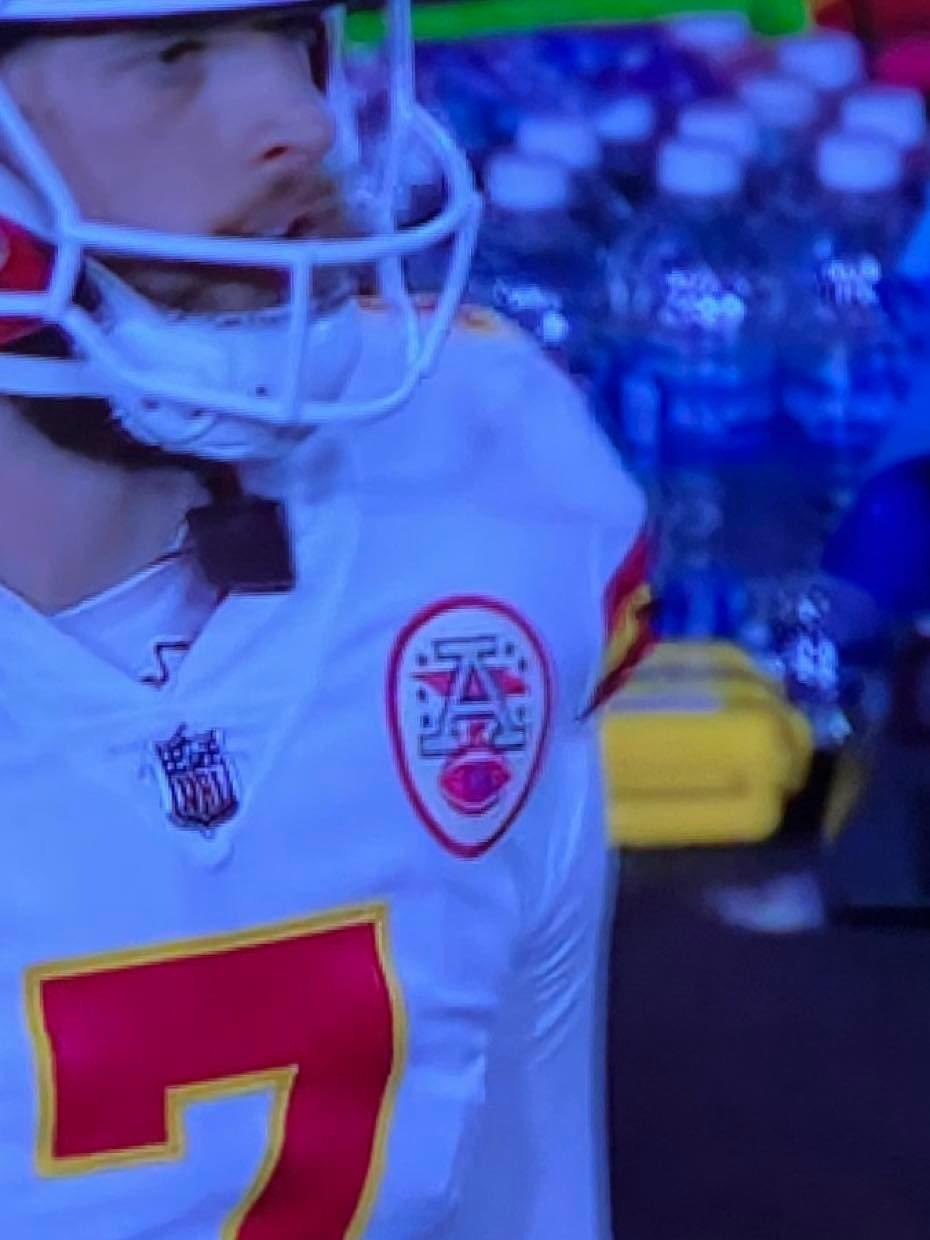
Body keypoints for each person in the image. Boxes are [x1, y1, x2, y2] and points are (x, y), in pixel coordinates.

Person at [0, 1, 651, 1235]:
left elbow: (530, 1178)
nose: (303, 123)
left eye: (298, 40)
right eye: (173, 55)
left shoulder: (491, 464)